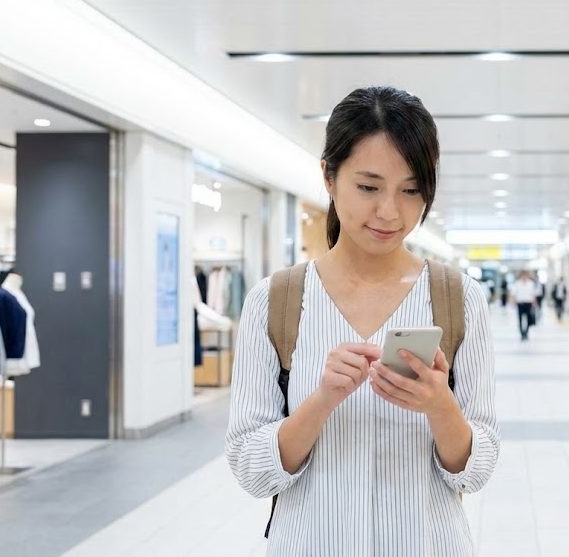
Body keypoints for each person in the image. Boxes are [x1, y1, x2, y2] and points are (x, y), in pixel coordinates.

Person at [225, 86, 499, 556]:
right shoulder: (276, 301)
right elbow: (251, 468)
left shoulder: (458, 299)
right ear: (329, 178)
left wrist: (440, 405)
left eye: (411, 190)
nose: (390, 212)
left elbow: (476, 469)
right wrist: (322, 400)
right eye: (369, 187)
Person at [511, 271, 538, 341]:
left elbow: (533, 294)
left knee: (529, 319)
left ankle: (526, 332)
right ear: (521, 276)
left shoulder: (531, 283)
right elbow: (513, 294)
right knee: (520, 319)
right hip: (520, 303)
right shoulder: (517, 283)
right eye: (523, 276)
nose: (524, 277)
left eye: (525, 275)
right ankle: (522, 334)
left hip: (528, 303)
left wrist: (534, 303)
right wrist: (513, 302)